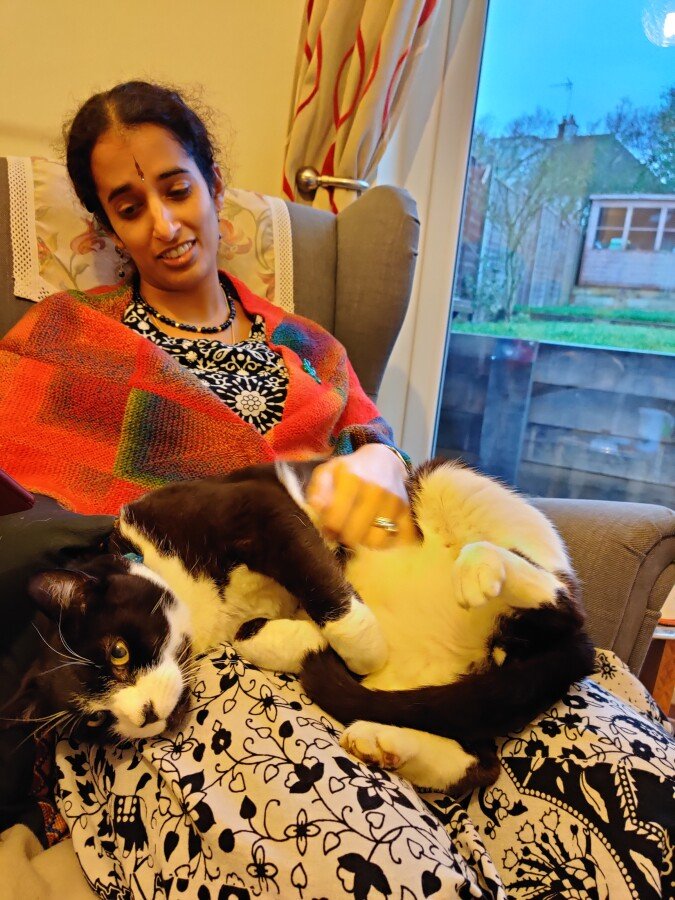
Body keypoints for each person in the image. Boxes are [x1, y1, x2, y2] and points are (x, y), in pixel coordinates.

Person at [0, 82, 672, 899]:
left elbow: (384, 467)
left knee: (617, 772)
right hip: (201, 654)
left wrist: (380, 465)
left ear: (214, 186)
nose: (164, 225)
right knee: (376, 859)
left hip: (374, 595)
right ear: (106, 228)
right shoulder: (69, 339)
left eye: (176, 189)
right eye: (130, 207)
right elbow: (34, 507)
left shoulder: (311, 349)